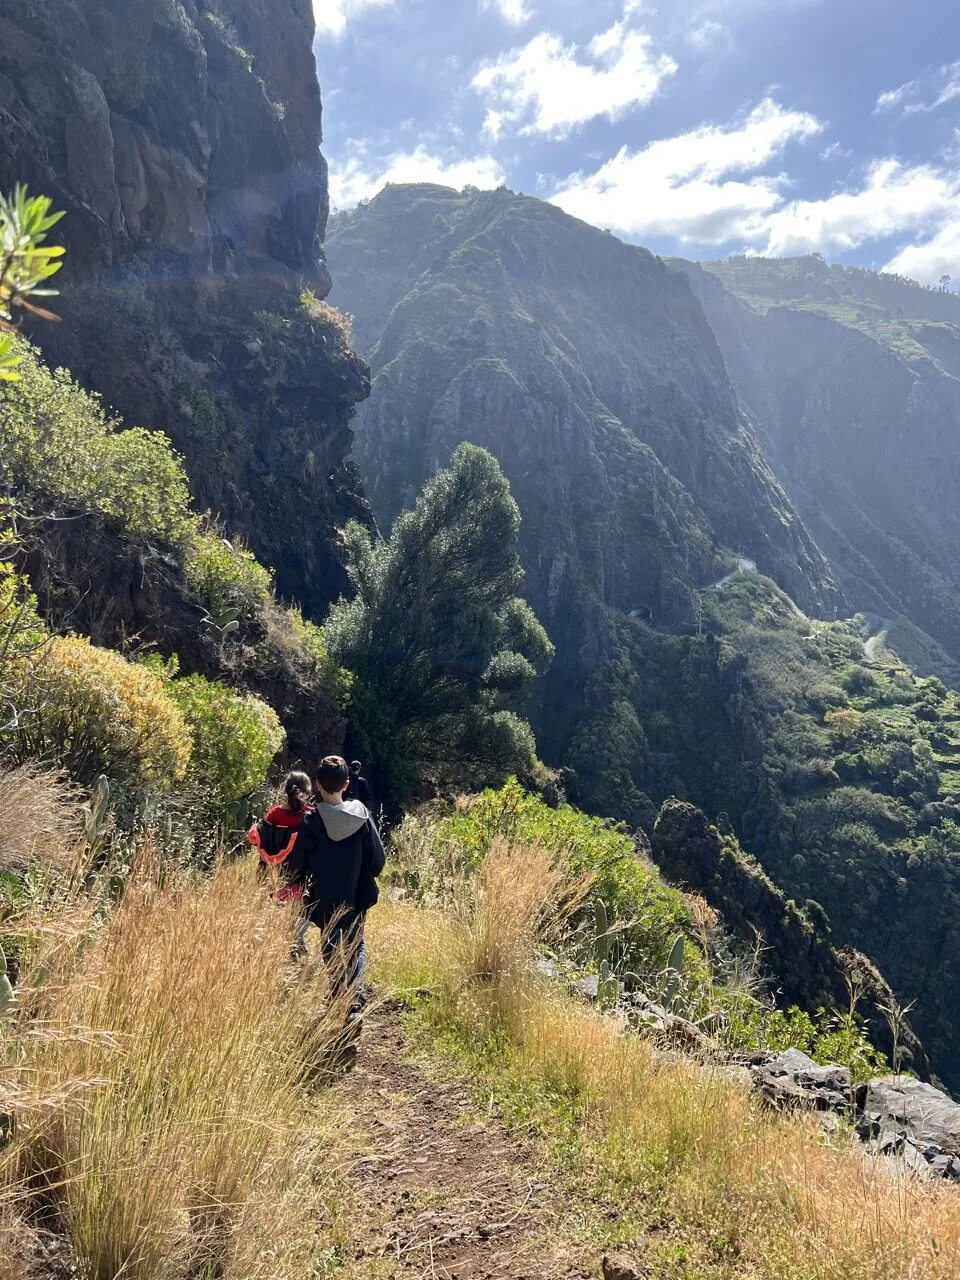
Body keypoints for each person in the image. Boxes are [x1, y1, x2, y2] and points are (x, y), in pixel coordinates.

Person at [286, 755, 385, 1017]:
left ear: (317, 784)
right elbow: (377, 862)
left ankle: (338, 993)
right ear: (347, 783)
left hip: (324, 900)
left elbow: (296, 866)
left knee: (330, 946)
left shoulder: (311, 822)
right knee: (356, 945)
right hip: (356, 897)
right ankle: (356, 1001)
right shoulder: (362, 817)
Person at [248, 770, 312, 907]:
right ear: (306, 792)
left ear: (286, 790)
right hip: (297, 880)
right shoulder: (309, 816)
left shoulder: (274, 814)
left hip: (271, 878)